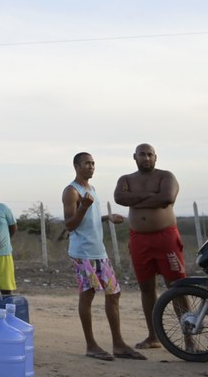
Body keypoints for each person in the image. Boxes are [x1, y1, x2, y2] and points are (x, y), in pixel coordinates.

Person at [62, 152, 147, 362]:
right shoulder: (71, 191)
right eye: (87, 163)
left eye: (93, 163)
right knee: (88, 294)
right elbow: (70, 225)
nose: (91, 167)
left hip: (98, 251)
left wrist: (107, 217)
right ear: (76, 166)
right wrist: (83, 207)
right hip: (82, 253)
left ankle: (118, 344)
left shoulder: (92, 189)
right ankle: (91, 345)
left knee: (114, 293)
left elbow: (88, 218)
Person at [113, 143, 186, 349]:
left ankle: (189, 338)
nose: (146, 158)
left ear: (156, 157)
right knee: (146, 288)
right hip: (139, 239)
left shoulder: (166, 176)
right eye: (142, 154)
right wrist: (152, 196)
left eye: (150, 155)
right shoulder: (126, 179)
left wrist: (134, 199)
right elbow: (119, 198)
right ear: (134, 157)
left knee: (177, 286)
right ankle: (153, 336)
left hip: (166, 238)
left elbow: (167, 198)